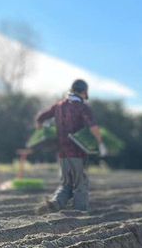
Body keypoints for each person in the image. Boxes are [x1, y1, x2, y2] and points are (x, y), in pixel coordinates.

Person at [35, 79, 107, 213]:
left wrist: (42, 128)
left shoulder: (59, 105)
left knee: (66, 184)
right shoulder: (83, 107)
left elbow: (40, 118)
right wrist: (100, 143)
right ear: (84, 92)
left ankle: (55, 203)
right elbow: (93, 127)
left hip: (62, 152)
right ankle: (79, 213)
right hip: (77, 152)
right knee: (80, 184)